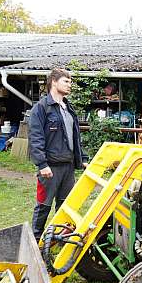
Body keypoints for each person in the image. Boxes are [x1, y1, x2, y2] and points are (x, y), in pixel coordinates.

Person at [29, 68, 84, 241]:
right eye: (66, 81)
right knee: (43, 206)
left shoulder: (68, 108)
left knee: (65, 207)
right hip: (50, 168)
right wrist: (42, 164)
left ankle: (59, 240)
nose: (70, 85)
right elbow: (35, 137)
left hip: (68, 167)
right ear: (54, 81)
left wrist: (81, 160)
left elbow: (74, 138)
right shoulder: (41, 108)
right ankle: (36, 240)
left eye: (70, 82)